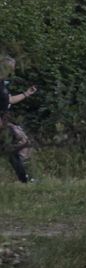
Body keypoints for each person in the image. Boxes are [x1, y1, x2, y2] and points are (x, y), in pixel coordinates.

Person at [0, 56, 37, 184]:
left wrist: (26, 94)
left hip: (3, 122)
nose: (11, 72)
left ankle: (25, 179)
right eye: (9, 69)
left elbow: (9, 100)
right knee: (18, 144)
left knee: (13, 151)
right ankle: (26, 179)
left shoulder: (2, 83)